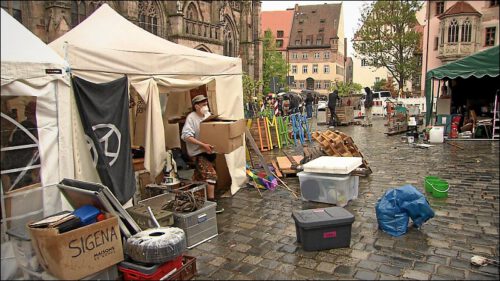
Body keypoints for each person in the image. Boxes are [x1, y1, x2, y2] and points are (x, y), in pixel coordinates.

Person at [181, 95, 224, 213]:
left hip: (210, 152)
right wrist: (202, 145)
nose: (205, 105)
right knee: (211, 176)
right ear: (196, 106)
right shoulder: (191, 118)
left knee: (199, 177)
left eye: (206, 103)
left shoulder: (208, 115)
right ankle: (212, 203)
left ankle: (190, 199)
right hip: (199, 153)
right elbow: (186, 136)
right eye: (203, 104)